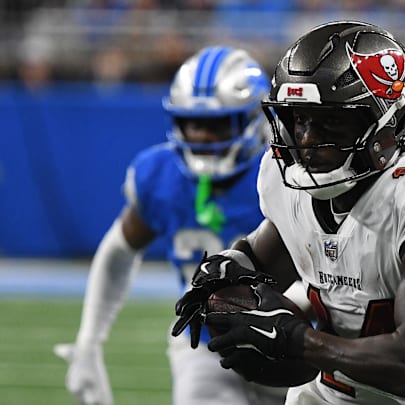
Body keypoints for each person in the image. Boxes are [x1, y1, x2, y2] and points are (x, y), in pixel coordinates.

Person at [173, 21, 405, 405]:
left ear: (390, 122)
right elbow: (267, 253)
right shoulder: (285, 184)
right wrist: (224, 274)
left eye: (330, 121)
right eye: (300, 119)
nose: (307, 140)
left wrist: (298, 341)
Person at [53, 46, 287, 405]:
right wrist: (89, 341)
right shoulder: (160, 174)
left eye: (217, 123)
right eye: (193, 123)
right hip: (204, 343)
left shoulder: (285, 175)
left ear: (253, 119)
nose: (203, 136)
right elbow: (118, 251)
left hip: (292, 341)